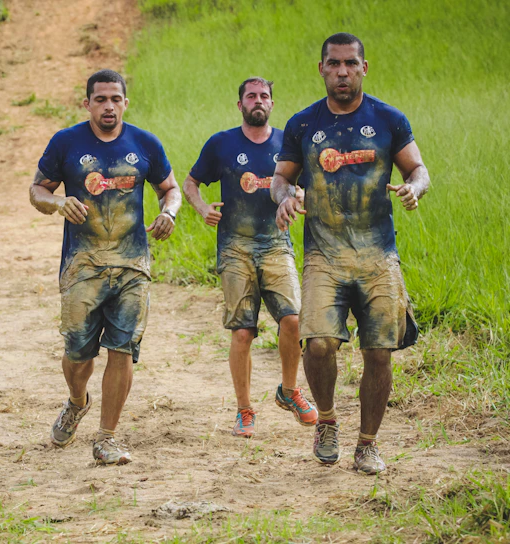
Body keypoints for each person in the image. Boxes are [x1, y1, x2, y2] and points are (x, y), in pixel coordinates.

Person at [271, 33, 430, 474]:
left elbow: (416, 168)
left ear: (364, 68)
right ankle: (326, 420)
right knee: (319, 344)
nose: (343, 71)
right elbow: (280, 177)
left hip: (378, 255)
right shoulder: (303, 124)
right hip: (324, 254)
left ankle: (368, 444)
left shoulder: (388, 119)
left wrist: (414, 188)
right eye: (334, 63)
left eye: (350, 64)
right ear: (321, 69)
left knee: (378, 353)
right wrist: (283, 197)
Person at [30, 69, 181, 465]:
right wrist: (59, 202)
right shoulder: (66, 142)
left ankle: (107, 437)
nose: (109, 106)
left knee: (123, 349)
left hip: (132, 264)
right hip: (83, 265)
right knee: (78, 355)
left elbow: (171, 188)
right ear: (88, 104)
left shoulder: (145, 143)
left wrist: (171, 212)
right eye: (100, 99)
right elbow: (37, 190)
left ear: (125, 103)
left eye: (115, 98)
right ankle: (77, 401)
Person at [183, 77, 317, 439]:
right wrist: (201, 208)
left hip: (276, 245)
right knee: (242, 332)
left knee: (293, 320)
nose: (258, 101)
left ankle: (289, 392)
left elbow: (300, 185)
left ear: (272, 104)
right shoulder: (221, 144)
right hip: (235, 247)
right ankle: (244, 409)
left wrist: (297, 198)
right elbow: (191, 182)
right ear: (239, 104)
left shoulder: (287, 144)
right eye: (251, 96)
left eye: (264, 96)